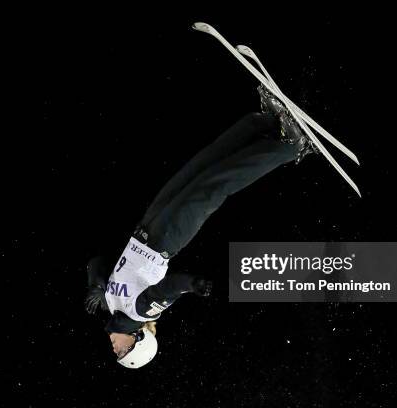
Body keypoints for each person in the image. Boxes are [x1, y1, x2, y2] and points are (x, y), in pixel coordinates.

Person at [84, 86, 314, 368]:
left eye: (117, 353)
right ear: (136, 341)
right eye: (122, 352)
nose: (115, 349)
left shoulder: (111, 306)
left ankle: (263, 123)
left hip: (146, 227)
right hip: (167, 238)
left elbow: (96, 260)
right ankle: (289, 147)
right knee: (216, 183)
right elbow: (168, 289)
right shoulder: (140, 312)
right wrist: (192, 284)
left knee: (198, 166)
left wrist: (95, 284)